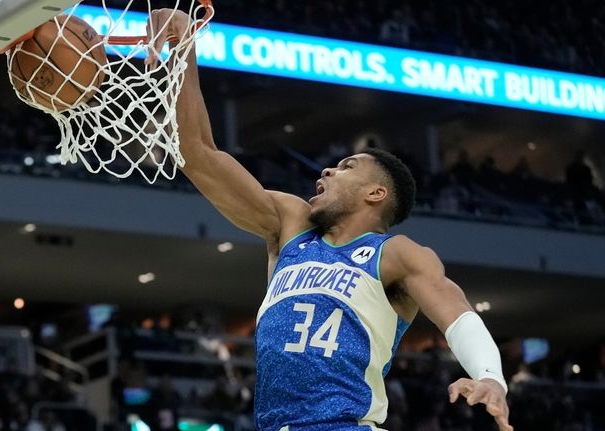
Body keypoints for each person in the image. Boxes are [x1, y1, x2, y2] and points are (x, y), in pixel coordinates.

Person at [146, 9, 513, 431]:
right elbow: (198, 154)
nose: (327, 171)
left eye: (346, 167)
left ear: (377, 194)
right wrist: (183, 48)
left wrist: (490, 377)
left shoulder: (395, 254)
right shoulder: (290, 225)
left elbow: (456, 312)